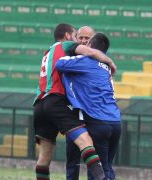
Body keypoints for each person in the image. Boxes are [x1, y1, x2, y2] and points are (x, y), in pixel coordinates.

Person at [33, 23, 116, 180]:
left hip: (39, 104)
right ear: (68, 36)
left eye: (85, 38)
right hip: (56, 101)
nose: (80, 41)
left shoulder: (48, 52)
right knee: (86, 142)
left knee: (44, 159)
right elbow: (89, 51)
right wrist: (110, 62)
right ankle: (101, 178)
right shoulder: (66, 46)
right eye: (77, 36)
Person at [56, 33, 121, 180]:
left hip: (98, 122)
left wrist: (76, 49)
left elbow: (59, 63)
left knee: (97, 171)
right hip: (116, 122)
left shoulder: (85, 61)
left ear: (90, 47)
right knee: (108, 168)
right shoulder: (106, 68)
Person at [64, 25, 97, 180]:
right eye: (81, 37)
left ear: (93, 41)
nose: (83, 41)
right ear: (75, 38)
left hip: (93, 116)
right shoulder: (69, 58)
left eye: (87, 38)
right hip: (73, 116)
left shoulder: (99, 60)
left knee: (93, 160)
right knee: (72, 160)